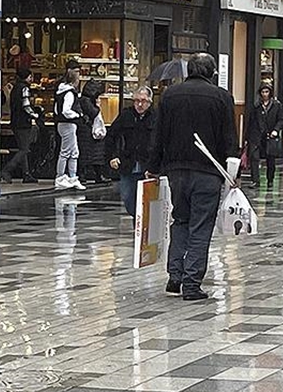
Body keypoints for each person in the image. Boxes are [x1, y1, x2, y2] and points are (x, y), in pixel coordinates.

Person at [147, 53, 238, 301]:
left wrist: (153, 167)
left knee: (180, 221)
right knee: (201, 226)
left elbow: (159, 135)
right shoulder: (222, 97)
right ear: (210, 72)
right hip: (208, 172)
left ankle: (175, 277)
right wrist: (232, 174)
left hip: (176, 171)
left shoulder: (170, 95)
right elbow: (230, 138)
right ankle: (192, 282)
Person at [105, 86, 157, 217]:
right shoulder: (126, 115)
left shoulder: (156, 117)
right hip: (128, 162)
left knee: (148, 201)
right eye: (137, 101)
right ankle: (137, 217)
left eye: (143, 101)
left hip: (148, 165)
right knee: (128, 198)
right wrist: (113, 156)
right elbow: (112, 135)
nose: (140, 104)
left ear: (149, 102)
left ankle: (141, 226)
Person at [53, 60, 85, 190]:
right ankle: (61, 177)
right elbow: (66, 110)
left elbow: (57, 109)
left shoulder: (60, 91)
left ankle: (71, 177)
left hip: (62, 124)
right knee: (67, 152)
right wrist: (77, 115)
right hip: (68, 124)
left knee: (72, 151)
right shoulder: (70, 93)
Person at [4, 68, 39, 184]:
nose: (31, 79)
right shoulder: (24, 88)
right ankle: (7, 170)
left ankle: (26, 173)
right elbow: (26, 105)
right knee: (24, 149)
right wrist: (35, 115)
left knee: (22, 148)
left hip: (15, 121)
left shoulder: (15, 88)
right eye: (30, 76)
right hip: (23, 122)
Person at [245, 83, 283, 187]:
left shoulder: (277, 105)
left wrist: (276, 130)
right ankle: (255, 180)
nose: (265, 94)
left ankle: (270, 179)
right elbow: (250, 121)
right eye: (263, 92)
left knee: (270, 159)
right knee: (254, 157)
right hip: (256, 134)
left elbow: (281, 119)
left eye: (266, 92)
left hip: (270, 135)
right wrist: (247, 137)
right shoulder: (256, 106)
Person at [77, 80, 108, 184]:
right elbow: (93, 112)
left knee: (88, 154)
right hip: (87, 130)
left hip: (87, 129)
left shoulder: (84, 99)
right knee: (89, 154)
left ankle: (86, 174)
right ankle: (93, 175)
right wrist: (97, 107)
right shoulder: (86, 101)